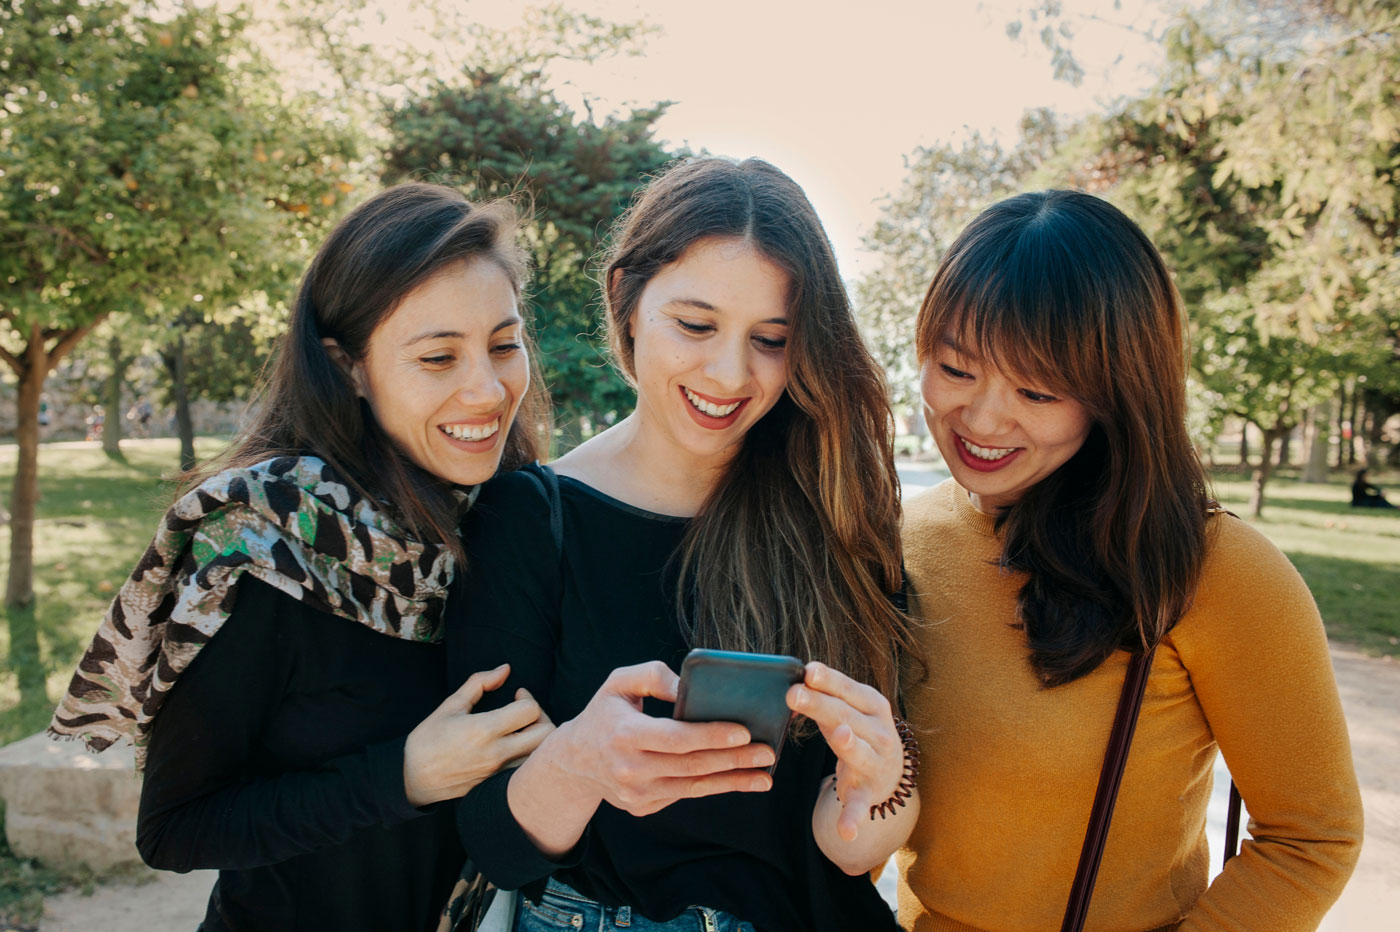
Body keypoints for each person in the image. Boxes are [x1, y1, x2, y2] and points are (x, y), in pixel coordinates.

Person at [50, 183, 554, 932]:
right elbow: (175, 829)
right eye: (438, 356)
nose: (486, 388)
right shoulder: (264, 545)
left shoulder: (512, 517)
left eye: (504, 344)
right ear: (348, 366)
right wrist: (405, 776)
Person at [449, 157, 923, 932]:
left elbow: (849, 852)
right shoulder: (528, 521)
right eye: (696, 326)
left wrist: (881, 782)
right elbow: (495, 846)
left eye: (771, 339)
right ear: (626, 304)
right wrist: (578, 763)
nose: (730, 373)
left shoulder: (840, 516)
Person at [897, 190, 1363, 931]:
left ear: (1117, 394)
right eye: (956, 370)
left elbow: (1312, 837)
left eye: (1037, 389)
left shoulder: (1214, 570)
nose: (982, 419)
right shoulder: (901, 537)